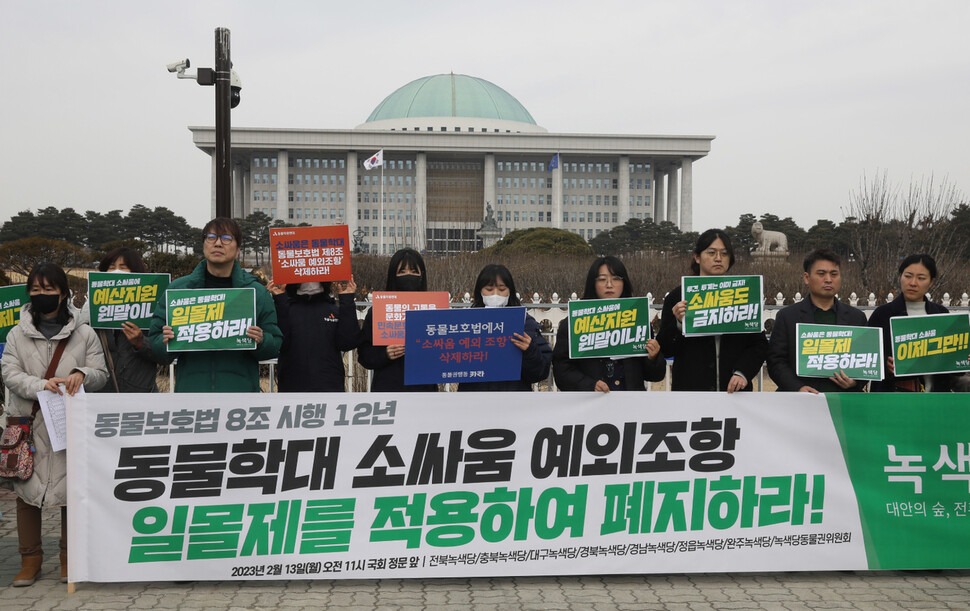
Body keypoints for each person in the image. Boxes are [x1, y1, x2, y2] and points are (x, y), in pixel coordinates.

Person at [1, 263, 107, 587]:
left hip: (68, 426)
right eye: (35, 289)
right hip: (28, 426)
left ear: (64, 293)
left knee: (71, 492)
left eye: (49, 289)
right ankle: (29, 560)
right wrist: (39, 385)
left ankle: (68, 558)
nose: (41, 295)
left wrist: (81, 375)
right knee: (25, 494)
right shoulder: (16, 334)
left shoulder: (85, 333)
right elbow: (9, 372)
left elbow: (100, 373)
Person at [148, 217, 282, 392]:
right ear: (204, 244)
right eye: (211, 237)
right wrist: (165, 341)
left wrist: (261, 340)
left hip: (241, 397)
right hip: (191, 396)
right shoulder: (179, 291)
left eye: (226, 239)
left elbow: (275, 344)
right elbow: (155, 345)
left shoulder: (257, 293)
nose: (218, 243)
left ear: (238, 249)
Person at [657, 229, 768, 392]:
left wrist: (742, 373)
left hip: (735, 393)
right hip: (691, 393)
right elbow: (665, 349)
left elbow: (759, 344)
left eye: (724, 253)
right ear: (697, 257)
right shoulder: (677, 298)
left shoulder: (743, 293)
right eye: (711, 253)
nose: (718, 258)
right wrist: (679, 324)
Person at [553, 256, 666, 391]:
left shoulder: (638, 320)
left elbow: (655, 376)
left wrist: (653, 358)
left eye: (616, 278)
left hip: (631, 405)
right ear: (592, 283)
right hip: (591, 404)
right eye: (602, 279)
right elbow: (561, 371)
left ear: (624, 283)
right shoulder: (574, 322)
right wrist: (589, 385)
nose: (609, 284)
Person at [767, 249, 868, 393]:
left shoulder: (856, 317)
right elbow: (776, 362)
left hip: (843, 403)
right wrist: (798, 388)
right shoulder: (788, 316)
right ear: (806, 278)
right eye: (821, 274)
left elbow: (867, 360)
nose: (828, 279)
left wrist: (855, 382)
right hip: (800, 404)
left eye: (834, 274)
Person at [868, 254, 957, 392]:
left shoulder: (941, 314)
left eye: (921, 278)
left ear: (931, 282)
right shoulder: (882, 314)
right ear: (900, 276)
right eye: (908, 276)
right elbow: (866, 356)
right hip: (893, 399)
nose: (913, 283)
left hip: (935, 400)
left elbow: (952, 363)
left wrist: (962, 357)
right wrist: (884, 362)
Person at [457, 264, 552, 391]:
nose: (495, 295)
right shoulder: (466, 324)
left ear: (510, 292)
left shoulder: (525, 323)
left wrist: (530, 351)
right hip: (475, 399)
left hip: (514, 401)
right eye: (489, 290)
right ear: (480, 291)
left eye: (502, 290)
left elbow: (541, 372)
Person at [357, 248, 438, 391]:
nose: (408, 276)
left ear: (422, 275)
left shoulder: (433, 311)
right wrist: (385, 354)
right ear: (393, 276)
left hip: (424, 390)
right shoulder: (377, 311)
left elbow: (446, 352)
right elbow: (364, 356)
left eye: (414, 271)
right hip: (388, 390)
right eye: (402, 271)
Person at [268, 277, 362, 392]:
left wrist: (347, 300)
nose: (309, 282)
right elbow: (280, 343)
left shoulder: (333, 310)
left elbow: (348, 342)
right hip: (292, 387)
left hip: (329, 386)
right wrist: (280, 301)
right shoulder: (286, 309)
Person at [93, 248, 167, 393]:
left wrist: (141, 343)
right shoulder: (91, 311)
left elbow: (165, 356)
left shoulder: (153, 310)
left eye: (123, 268)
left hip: (140, 396)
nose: (116, 272)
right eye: (111, 268)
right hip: (101, 397)